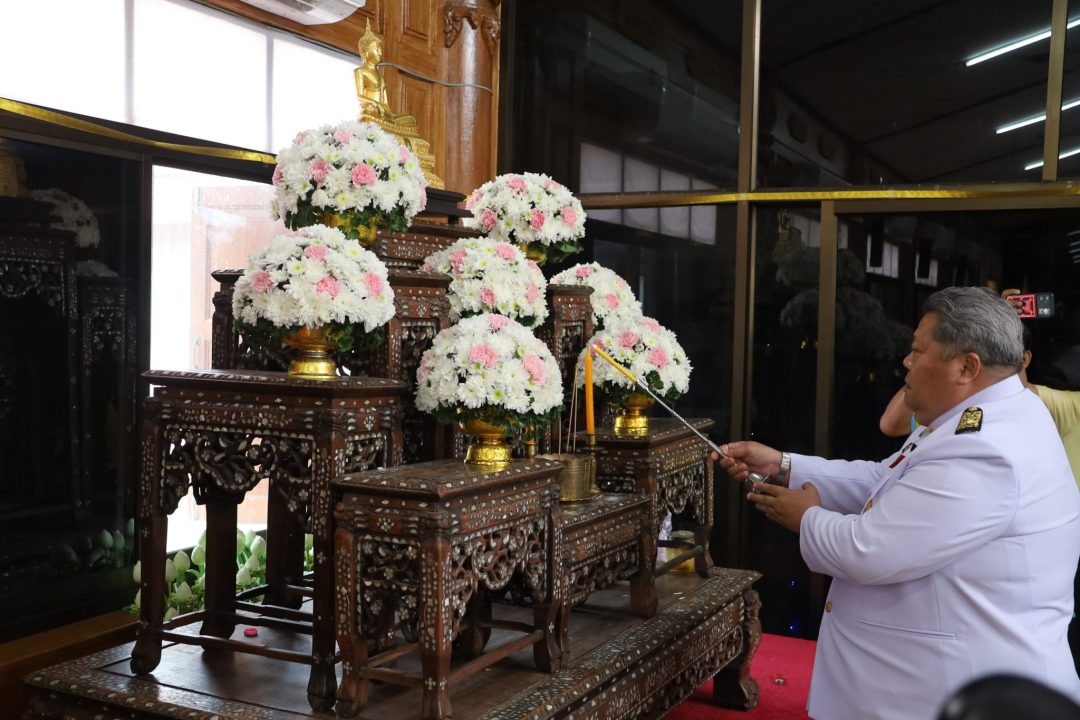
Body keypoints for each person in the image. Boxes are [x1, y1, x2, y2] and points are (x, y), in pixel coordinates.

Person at [716, 286, 1080, 720]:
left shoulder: (986, 447)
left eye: (918, 351)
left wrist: (806, 517)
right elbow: (884, 479)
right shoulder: (979, 416)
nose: (906, 361)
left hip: (958, 691)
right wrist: (784, 465)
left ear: (967, 366)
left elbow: (869, 550)